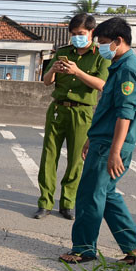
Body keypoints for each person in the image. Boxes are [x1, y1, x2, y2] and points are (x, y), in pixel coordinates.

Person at [59, 17, 136, 265]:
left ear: (119, 41)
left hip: (110, 144)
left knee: (89, 196)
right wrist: (90, 138)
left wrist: (114, 152)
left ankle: (83, 249)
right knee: (106, 194)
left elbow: (124, 114)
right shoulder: (119, 66)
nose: (103, 48)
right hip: (102, 140)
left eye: (105, 43)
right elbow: (107, 109)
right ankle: (135, 247)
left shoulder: (128, 69)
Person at [35, 14, 109, 221]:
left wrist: (77, 72)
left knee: (76, 159)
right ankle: (45, 202)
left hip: (83, 111)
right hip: (58, 109)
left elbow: (102, 85)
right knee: (49, 156)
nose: (77, 37)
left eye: (81, 34)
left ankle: (67, 202)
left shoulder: (100, 56)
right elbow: (46, 81)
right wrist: (55, 71)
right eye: (74, 34)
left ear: (91, 33)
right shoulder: (63, 53)